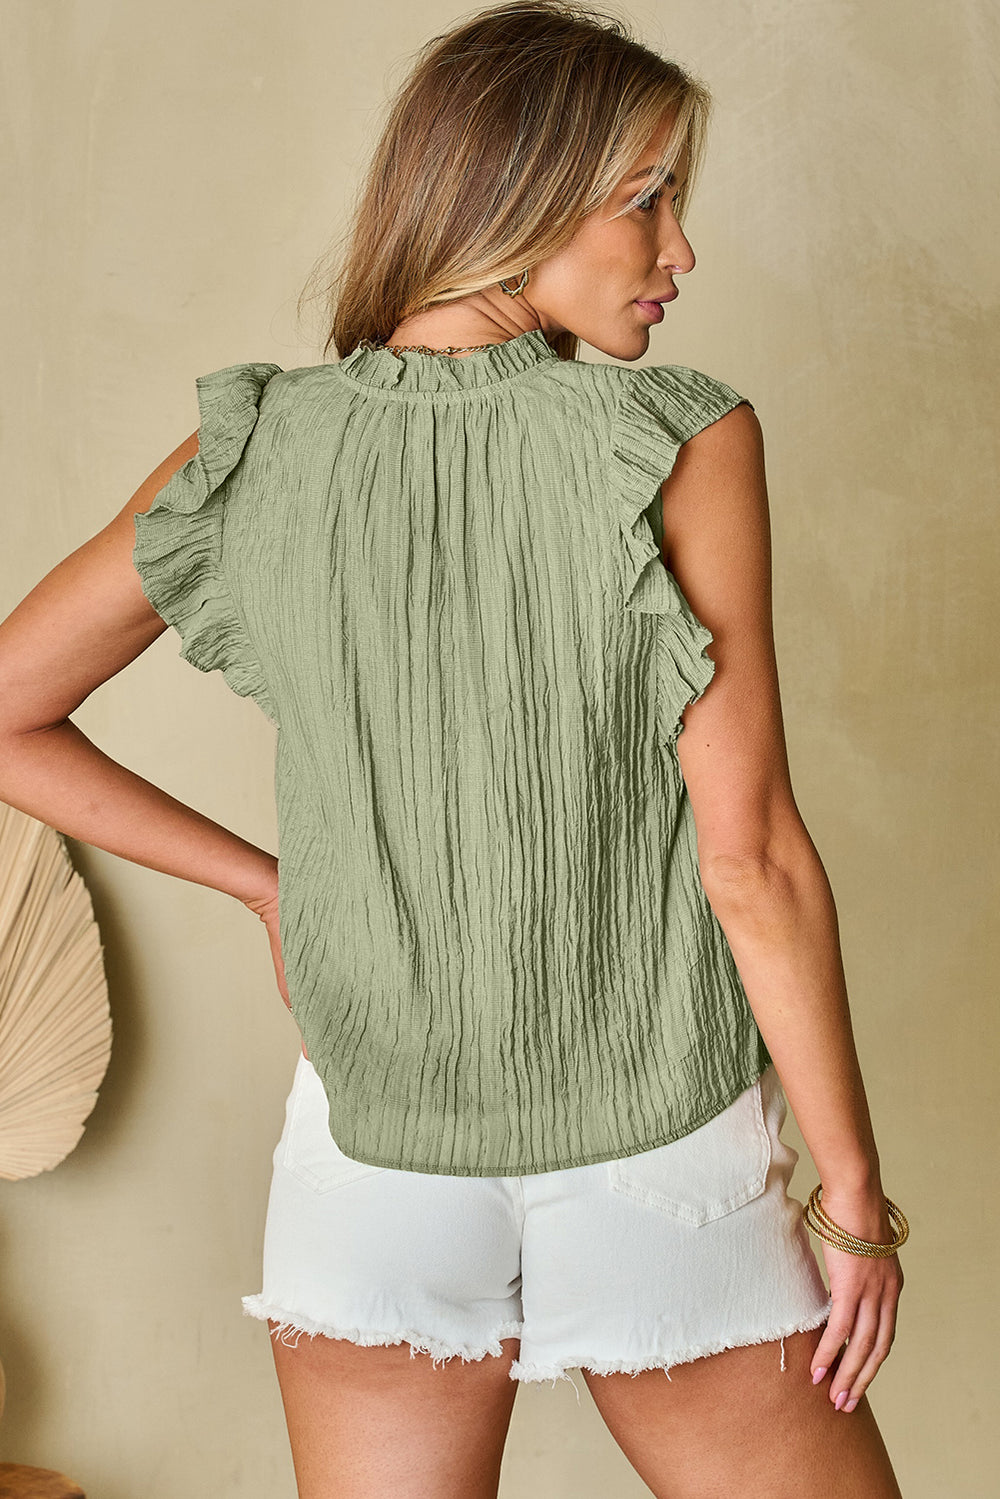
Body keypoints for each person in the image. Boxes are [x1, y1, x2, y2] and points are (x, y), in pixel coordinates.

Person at [0, 2, 907, 1495]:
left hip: (369, 1159)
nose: (680, 251)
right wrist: (856, 1199)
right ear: (520, 197)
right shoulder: (678, 440)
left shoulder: (253, 450)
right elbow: (748, 858)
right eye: (647, 200)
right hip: (657, 1146)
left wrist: (267, 887)